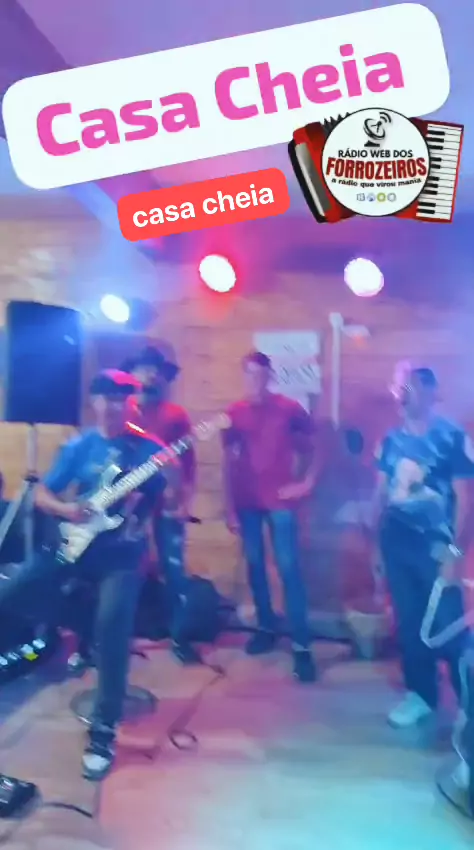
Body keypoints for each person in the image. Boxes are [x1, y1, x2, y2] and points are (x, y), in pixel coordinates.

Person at [0, 370, 171, 781]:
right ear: (94, 403)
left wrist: (157, 503)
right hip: (76, 544)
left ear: (131, 404)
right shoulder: (80, 446)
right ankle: (77, 629)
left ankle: (104, 729)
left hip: (122, 555)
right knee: (15, 589)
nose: (113, 407)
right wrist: (67, 510)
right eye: (106, 399)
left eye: (121, 400)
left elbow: (168, 501)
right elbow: (42, 494)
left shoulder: (148, 449)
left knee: (113, 626)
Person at [372, 366, 474, 728]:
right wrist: (375, 550)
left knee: (449, 626)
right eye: (400, 388)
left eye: (411, 388)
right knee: (409, 622)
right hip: (397, 544)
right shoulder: (389, 441)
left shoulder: (453, 438)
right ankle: (421, 695)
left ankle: (469, 705)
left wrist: (456, 553)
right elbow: (380, 495)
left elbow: (466, 500)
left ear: (431, 392)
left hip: (438, 547)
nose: (403, 394)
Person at [223, 351, 317, 682]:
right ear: (244, 377)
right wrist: (228, 506)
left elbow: (317, 443)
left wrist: (306, 483)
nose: (256, 381)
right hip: (247, 502)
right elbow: (227, 461)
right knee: (255, 566)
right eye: (250, 375)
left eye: (261, 375)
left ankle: (302, 645)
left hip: (280, 501)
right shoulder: (233, 414)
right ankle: (266, 628)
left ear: (270, 377)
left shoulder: (289, 409)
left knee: (289, 569)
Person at [123, 346, 201, 665]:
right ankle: (121, 636)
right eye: (144, 368)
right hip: (131, 505)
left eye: (154, 368)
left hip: (168, 503)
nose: (150, 374)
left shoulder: (176, 415)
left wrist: (185, 502)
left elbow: (189, 463)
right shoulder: (124, 412)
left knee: (174, 569)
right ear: (133, 373)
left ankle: (180, 637)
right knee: (126, 569)